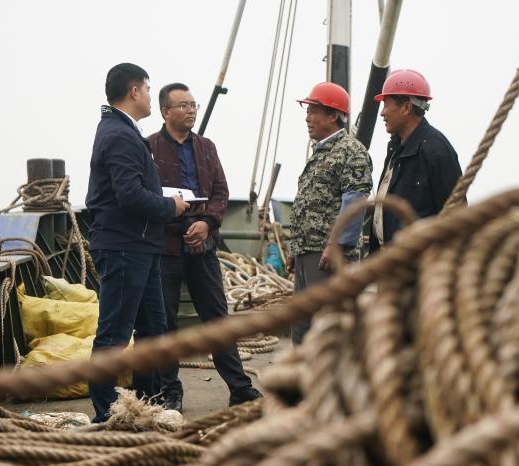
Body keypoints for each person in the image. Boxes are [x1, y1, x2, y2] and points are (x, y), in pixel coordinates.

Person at [85, 63, 190, 422]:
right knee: (114, 334)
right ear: (134, 91)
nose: (149, 95)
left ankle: (146, 404)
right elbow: (129, 195)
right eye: (147, 89)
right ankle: (106, 413)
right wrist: (171, 206)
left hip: (140, 247)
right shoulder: (119, 134)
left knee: (152, 329)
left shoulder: (124, 131)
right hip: (124, 247)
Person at [147, 82, 262, 411]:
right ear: (166, 112)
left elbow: (220, 192)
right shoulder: (149, 147)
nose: (191, 110)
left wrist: (207, 224)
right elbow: (146, 197)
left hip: (203, 244)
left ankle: (239, 388)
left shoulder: (206, 147)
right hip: (166, 247)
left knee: (217, 318)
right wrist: (178, 221)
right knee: (165, 323)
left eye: (193, 105)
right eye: (183, 105)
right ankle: (170, 392)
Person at [289, 82, 373, 345]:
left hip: (328, 257)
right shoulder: (321, 152)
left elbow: (355, 201)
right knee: (302, 328)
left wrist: (336, 244)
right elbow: (309, 203)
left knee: (327, 330)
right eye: (307, 111)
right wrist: (295, 248)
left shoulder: (351, 151)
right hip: (308, 253)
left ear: (333, 115)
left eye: (313, 111)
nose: (307, 118)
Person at [369, 69, 463, 254]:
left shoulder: (437, 151)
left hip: (420, 262)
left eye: (386, 105)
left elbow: (456, 213)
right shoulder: (395, 147)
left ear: (406, 108)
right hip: (390, 259)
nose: (382, 113)